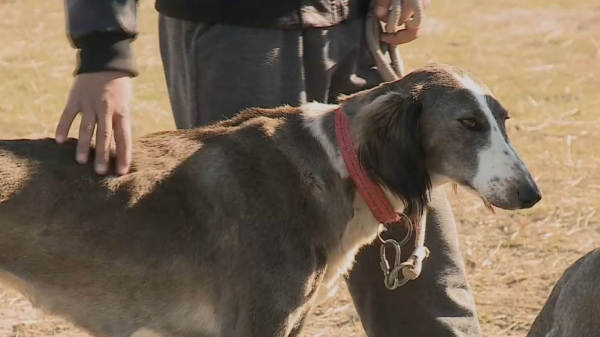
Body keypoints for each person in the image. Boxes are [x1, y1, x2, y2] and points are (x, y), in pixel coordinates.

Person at [57, 1, 483, 335]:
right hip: (235, 33)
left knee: (422, 278)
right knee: (253, 293)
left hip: (356, 25)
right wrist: (104, 48)